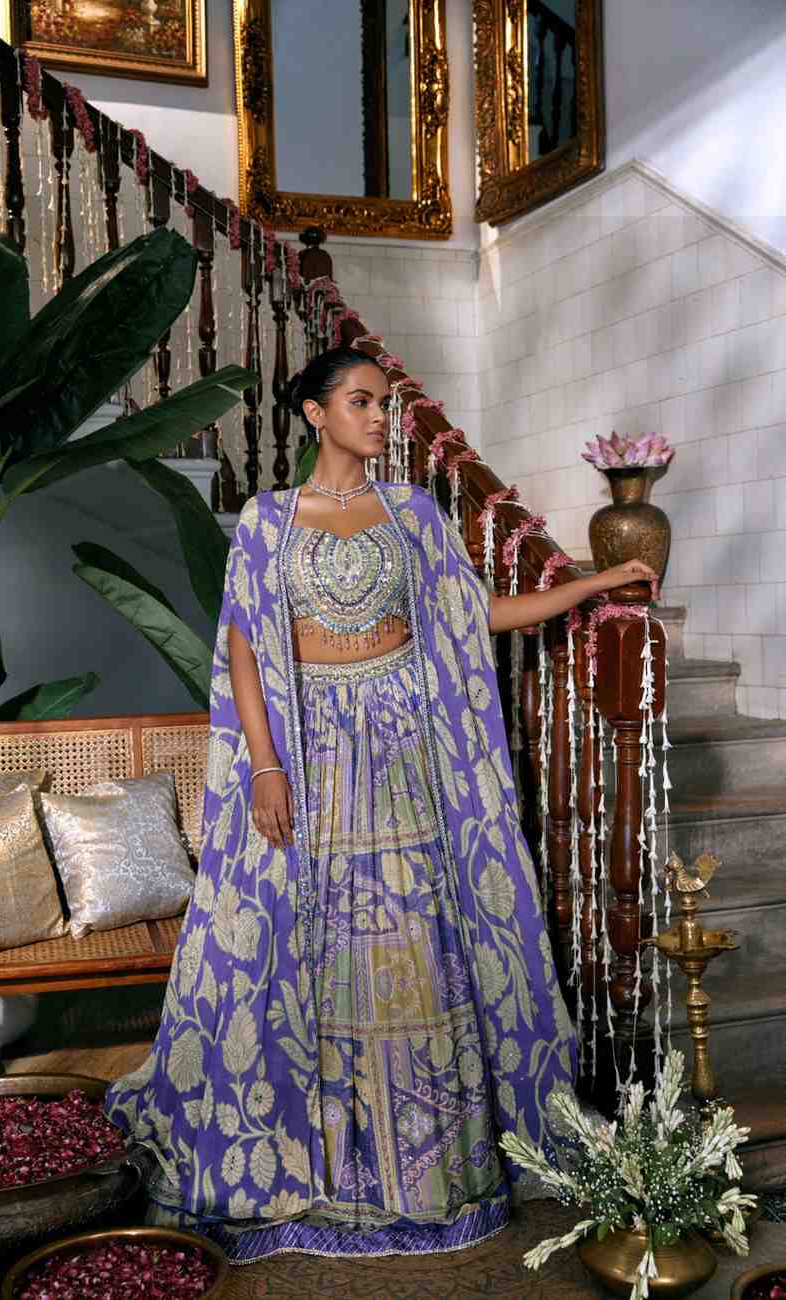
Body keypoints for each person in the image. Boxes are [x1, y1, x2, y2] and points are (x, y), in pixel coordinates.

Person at [104, 347, 659, 1262]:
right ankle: (327, 1164)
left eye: (385, 405)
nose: (378, 419)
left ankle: (428, 1171)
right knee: (318, 943)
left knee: (410, 943)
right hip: (310, 750)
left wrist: (591, 586)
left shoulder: (412, 512)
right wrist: (266, 768)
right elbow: (245, 647)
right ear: (315, 414)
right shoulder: (268, 519)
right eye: (361, 402)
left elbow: (469, 617)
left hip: (405, 749)